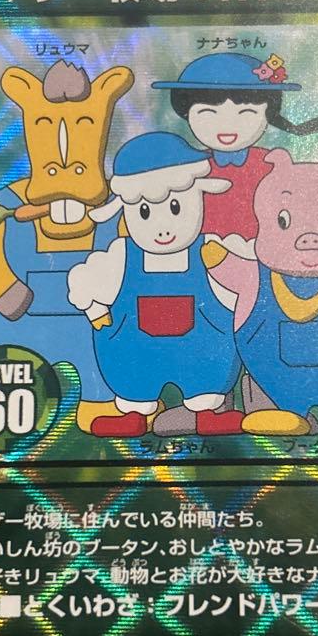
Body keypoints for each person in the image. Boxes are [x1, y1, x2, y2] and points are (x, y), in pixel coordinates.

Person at [67, 132, 245, 437]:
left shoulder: (211, 251)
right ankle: (134, 414)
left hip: (202, 353)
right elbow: (85, 283)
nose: (163, 229)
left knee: (208, 370)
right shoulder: (122, 255)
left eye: (176, 207)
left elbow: (238, 288)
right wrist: (95, 309)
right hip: (136, 354)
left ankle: (207, 413)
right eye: (145, 211)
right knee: (130, 367)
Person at [152, 52, 318, 250]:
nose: (227, 126)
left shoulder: (273, 164)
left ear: (268, 116)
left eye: (246, 113)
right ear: (187, 114)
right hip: (204, 251)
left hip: (264, 250)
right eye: (208, 113)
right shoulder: (191, 168)